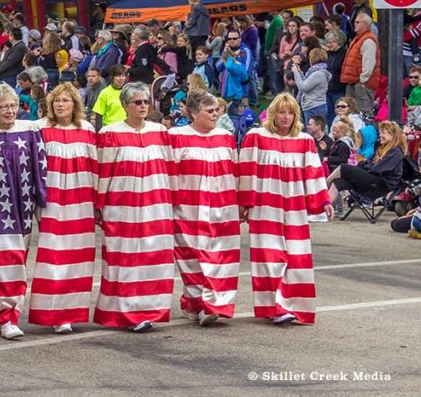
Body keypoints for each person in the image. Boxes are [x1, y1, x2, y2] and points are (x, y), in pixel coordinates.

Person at [238, 93, 333, 325]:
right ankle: (275, 307)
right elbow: (246, 172)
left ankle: (294, 306)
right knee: (270, 257)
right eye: (282, 112)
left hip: (294, 207)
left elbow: (313, 172)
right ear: (273, 113)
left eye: (291, 113)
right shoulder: (256, 137)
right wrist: (245, 204)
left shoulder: (304, 141)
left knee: (296, 257)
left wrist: (324, 201)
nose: (286, 117)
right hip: (265, 207)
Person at [94, 82, 175, 333]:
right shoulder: (110, 133)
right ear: (125, 105)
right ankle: (126, 311)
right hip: (123, 207)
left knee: (154, 257)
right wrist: (100, 205)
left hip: (156, 205)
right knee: (125, 258)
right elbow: (103, 172)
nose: (143, 106)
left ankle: (151, 309)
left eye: (145, 102)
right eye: (137, 102)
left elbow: (170, 168)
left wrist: (172, 199)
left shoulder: (159, 131)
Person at [0, 83, 47, 340]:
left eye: (13, 106)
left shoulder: (29, 131)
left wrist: (41, 201)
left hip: (24, 205)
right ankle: (9, 317)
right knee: (9, 261)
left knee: (16, 258)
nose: (9, 111)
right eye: (3, 106)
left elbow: (40, 167)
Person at [29, 83, 97, 334]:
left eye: (66, 100)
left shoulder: (87, 129)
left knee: (77, 257)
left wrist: (97, 204)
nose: (60, 105)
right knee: (53, 255)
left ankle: (70, 313)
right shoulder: (40, 129)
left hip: (81, 202)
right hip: (52, 201)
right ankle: (52, 312)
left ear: (75, 104)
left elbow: (95, 167)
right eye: (57, 100)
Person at [168, 90, 240, 326]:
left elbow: (236, 171)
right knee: (193, 258)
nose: (215, 114)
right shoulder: (175, 137)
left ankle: (212, 305)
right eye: (209, 111)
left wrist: (240, 202)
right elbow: (169, 173)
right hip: (188, 208)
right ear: (192, 113)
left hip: (223, 207)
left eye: (217, 110)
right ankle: (197, 302)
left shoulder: (226, 136)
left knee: (220, 257)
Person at [324, 120, 406, 207]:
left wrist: (364, 167)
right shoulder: (381, 148)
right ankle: (324, 208)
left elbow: (377, 168)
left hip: (381, 184)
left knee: (344, 168)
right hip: (373, 178)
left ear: (393, 136)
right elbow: (367, 162)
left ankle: (323, 185)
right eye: (380, 133)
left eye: (383, 133)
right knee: (338, 182)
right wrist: (364, 166)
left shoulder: (395, 151)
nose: (380, 135)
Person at [340, 12, 380, 117]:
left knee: (364, 114)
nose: (354, 24)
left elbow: (369, 64)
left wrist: (362, 81)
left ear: (366, 24)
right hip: (354, 82)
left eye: (357, 22)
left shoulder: (368, 40)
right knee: (350, 114)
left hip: (361, 84)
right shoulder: (359, 38)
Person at [290, 48, 330, 127]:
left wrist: (296, 73)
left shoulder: (318, 73)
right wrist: (298, 70)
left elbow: (303, 87)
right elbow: (305, 81)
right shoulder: (314, 71)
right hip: (312, 106)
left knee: (312, 133)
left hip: (315, 107)